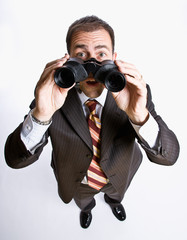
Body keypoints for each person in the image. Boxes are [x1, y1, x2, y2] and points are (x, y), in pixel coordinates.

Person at [4, 15, 180, 229]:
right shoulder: (51, 97)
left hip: (121, 172)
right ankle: (87, 209)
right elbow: (14, 160)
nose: (91, 64)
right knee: (83, 200)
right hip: (78, 180)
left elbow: (169, 156)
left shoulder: (134, 94)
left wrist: (138, 114)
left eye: (101, 54)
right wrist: (42, 114)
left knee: (117, 194)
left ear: (114, 58)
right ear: (68, 59)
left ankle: (114, 202)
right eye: (81, 55)